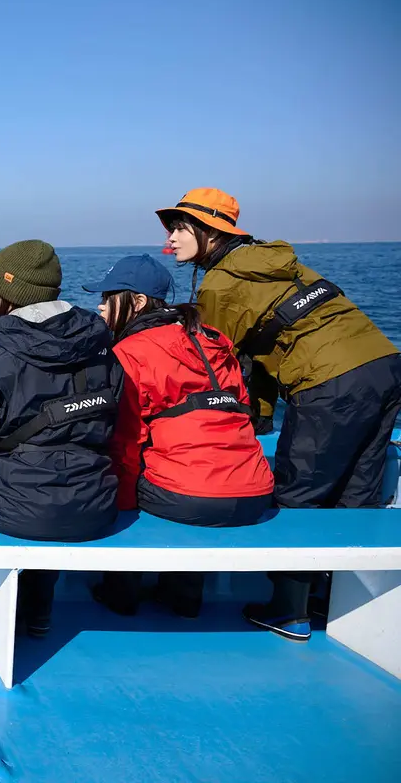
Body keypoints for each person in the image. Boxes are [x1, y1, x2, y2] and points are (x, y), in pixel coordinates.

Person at [159, 187, 401, 640]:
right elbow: (267, 340)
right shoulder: (272, 261)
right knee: (357, 491)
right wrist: (264, 413)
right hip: (383, 364)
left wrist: (248, 419)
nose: (170, 238)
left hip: (329, 382)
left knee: (299, 492)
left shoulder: (219, 284)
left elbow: (223, 362)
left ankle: (289, 612)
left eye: (179, 227)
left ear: (210, 232)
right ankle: (338, 605)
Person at [81, 254, 275, 618]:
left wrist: (120, 507)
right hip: (256, 492)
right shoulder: (213, 340)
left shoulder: (130, 352)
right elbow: (241, 408)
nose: (101, 308)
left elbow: (127, 441)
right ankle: (184, 597)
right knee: (195, 468)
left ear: (136, 303)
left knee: (137, 480)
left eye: (108, 298)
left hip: (191, 498)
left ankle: (121, 594)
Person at [0, 240, 122, 637]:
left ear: (7, 297)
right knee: (48, 490)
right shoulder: (103, 351)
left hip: (17, 508)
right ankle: (40, 613)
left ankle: (6, 616)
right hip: (94, 503)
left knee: (7, 491)